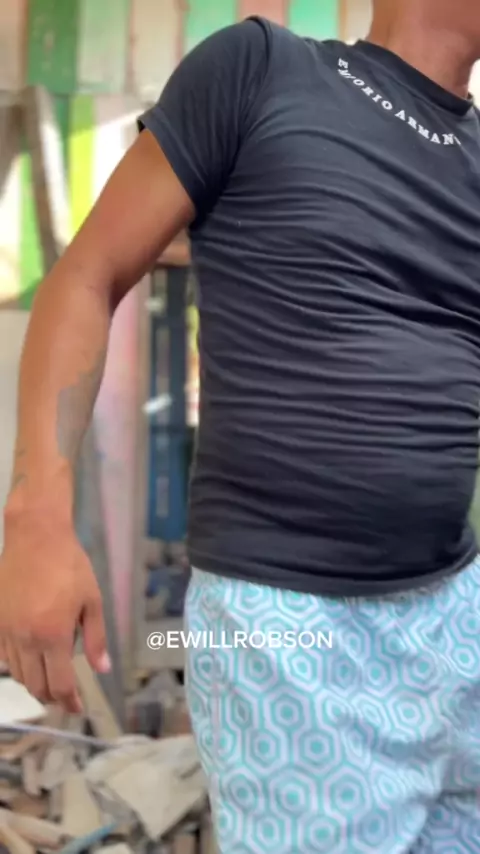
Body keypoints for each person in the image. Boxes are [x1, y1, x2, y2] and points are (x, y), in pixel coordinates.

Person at [1, 0, 480, 850]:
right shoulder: (261, 71)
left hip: (456, 607)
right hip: (290, 627)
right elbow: (87, 276)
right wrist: (36, 518)